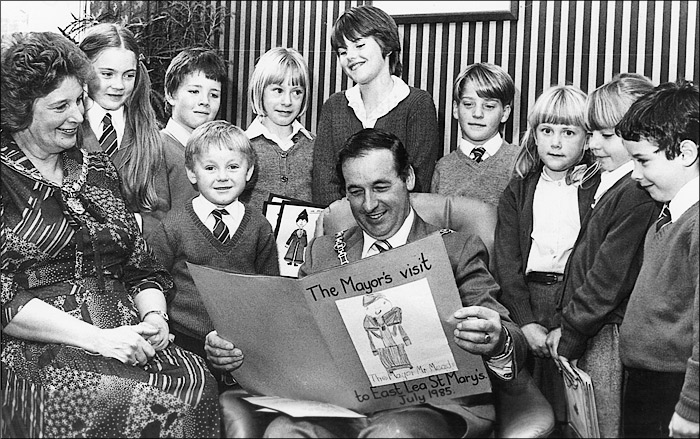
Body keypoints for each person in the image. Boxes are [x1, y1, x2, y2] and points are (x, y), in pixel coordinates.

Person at [206, 128, 528, 438]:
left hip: (430, 409)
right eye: (355, 191)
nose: (369, 204)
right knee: (282, 432)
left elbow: (509, 334)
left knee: (392, 434)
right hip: (339, 411)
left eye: (381, 186)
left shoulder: (456, 249)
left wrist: (497, 339)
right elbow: (289, 340)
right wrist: (236, 352)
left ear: (409, 178)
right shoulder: (324, 253)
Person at [0, 31, 219, 437]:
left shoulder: (98, 170)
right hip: (38, 347)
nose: (79, 116)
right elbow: (4, 299)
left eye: (80, 100)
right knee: (135, 398)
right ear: (19, 111)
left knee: (197, 383)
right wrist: (98, 339)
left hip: (127, 336)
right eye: (60, 106)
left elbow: (141, 266)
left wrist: (154, 316)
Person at [546, 74, 660, 438]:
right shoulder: (613, 183)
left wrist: (571, 335)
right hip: (592, 330)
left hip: (604, 335)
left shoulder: (636, 193)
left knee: (601, 429)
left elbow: (608, 279)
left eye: (606, 136)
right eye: (590, 133)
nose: (592, 144)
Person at [493, 84, 600, 431]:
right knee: (532, 406)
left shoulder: (596, 188)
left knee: (576, 410)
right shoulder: (519, 190)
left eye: (568, 132)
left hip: (577, 305)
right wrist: (525, 322)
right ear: (534, 137)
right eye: (547, 130)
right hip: (528, 301)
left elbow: (596, 261)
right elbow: (507, 264)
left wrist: (570, 325)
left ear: (587, 139)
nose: (556, 142)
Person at [148, 120, 279, 391]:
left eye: (233, 167)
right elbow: (151, 279)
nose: (222, 177)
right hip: (185, 343)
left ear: (249, 171)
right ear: (192, 173)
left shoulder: (258, 226)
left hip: (240, 348)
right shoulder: (174, 225)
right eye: (210, 168)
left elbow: (270, 289)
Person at [617, 79, 699, 438]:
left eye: (642, 160)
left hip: (675, 392)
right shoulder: (668, 215)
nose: (635, 175)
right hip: (647, 384)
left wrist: (692, 408)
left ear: (685, 153)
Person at [311, 5, 440, 206]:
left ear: (386, 45)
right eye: (343, 51)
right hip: (343, 228)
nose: (350, 57)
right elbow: (324, 184)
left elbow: (417, 183)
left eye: (359, 45)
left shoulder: (417, 104)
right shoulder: (334, 106)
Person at [78, 23, 166, 237]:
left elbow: (160, 213)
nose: (119, 85)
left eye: (128, 75)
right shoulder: (68, 128)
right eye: (107, 74)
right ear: (83, 70)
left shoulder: (149, 135)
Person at [151, 47, 228, 239]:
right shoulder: (157, 148)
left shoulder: (222, 152)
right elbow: (156, 222)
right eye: (194, 91)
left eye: (214, 95)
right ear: (170, 94)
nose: (204, 101)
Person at [430, 62, 519, 207]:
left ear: (505, 113)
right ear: (455, 109)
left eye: (489, 106)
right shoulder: (442, 169)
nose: (477, 114)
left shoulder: (520, 162)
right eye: (468, 104)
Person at [241, 47, 315, 212]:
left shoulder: (315, 146)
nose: (287, 101)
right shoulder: (240, 145)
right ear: (260, 91)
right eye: (278, 91)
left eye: (296, 92)